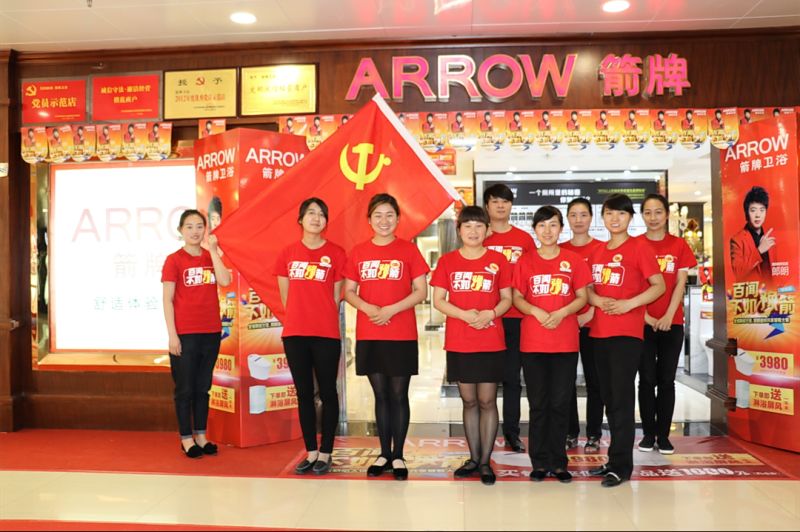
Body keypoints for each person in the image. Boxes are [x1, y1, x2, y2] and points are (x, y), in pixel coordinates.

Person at [343, 194, 429, 481]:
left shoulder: (409, 250)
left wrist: (391, 309)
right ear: (369, 220)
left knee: (398, 394)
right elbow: (349, 291)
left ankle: (399, 455)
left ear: (398, 219)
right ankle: (383, 453)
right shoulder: (358, 251)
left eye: (389, 215)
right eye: (378, 215)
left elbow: (421, 291)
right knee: (379, 395)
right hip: (370, 332)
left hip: (401, 332)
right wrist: (368, 308)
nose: (384, 220)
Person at [586, 193, 665, 487]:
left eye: (621, 213)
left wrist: (629, 304)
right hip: (599, 333)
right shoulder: (597, 251)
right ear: (603, 217)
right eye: (609, 213)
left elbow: (658, 286)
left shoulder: (639, 247)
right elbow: (588, 289)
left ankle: (622, 466)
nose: (615, 219)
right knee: (608, 398)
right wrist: (597, 299)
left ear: (630, 218)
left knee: (621, 399)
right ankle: (613, 459)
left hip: (627, 335)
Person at [431, 206, 512, 486]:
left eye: (479, 226)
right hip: (460, 339)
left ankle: (486, 461)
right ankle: (474, 458)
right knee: (468, 401)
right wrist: (464, 315)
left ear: (488, 230)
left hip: (490, 338)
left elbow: (507, 298)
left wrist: (491, 313)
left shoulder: (498, 260)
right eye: (468, 226)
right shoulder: (447, 262)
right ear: (459, 230)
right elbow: (438, 300)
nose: (473, 231)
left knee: (487, 400)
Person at [513, 206, 591, 483]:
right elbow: (517, 297)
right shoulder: (525, 261)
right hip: (533, 342)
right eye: (542, 225)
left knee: (560, 403)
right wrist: (535, 311)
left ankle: (558, 462)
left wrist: (562, 312)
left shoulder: (574, 260)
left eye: (553, 225)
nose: (547, 230)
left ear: (561, 228)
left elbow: (583, 297)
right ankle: (538, 462)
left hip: (565, 342)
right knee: (538, 404)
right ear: (534, 229)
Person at [275, 198, 347, 476]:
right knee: (304, 393)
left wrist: (319, 313)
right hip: (295, 333)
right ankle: (311, 452)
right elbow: (285, 296)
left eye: (321, 214)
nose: (316, 218)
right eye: (311, 213)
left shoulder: (336, 253)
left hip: (326, 333)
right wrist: (300, 315)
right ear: (300, 219)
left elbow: (336, 296)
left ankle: (326, 452)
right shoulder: (287, 253)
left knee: (328, 392)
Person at [161, 209, 232, 458]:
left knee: (203, 387)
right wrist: (173, 335)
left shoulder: (211, 256)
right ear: (180, 231)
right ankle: (186, 438)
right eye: (189, 227)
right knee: (185, 389)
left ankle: (201, 435)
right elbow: (167, 299)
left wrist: (213, 250)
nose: (195, 231)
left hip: (211, 331)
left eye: (200, 226)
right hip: (185, 333)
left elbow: (225, 281)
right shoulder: (174, 260)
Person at [637, 194, 697, 455]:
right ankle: (647, 434)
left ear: (667, 215)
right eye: (648, 213)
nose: (653, 218)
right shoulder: (635, 245)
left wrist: (668, 316)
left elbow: (680, 284)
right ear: (642, 215)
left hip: (672, 323)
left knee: (666, 380)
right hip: (641, 323)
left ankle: (663, 436)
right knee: (646, 380)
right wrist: (647, 318)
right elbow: (630, 289)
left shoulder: (679, 245)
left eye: (658, 212)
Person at [482, 184, 534, 454]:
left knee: (513, 379)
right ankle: (483, 431)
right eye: (495, 201)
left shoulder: (524, 239)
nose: (500, 206)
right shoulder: (479, 236)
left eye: (505, 201)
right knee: (486, 379)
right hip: (486, 319)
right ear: (487, 206)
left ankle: (511, 433)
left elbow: (533, 274)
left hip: (516, 318)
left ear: (511, 205)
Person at [560, 198, 606, 454]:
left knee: (594, 381)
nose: (578, 220)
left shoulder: (601, 249)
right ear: (567, 219)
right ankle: (570, 432)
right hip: (564, 325)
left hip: (594, 325)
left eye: (583, 215)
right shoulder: (559, 250)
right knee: (565, 381)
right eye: (573, 215)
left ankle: (594, 434)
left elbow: (605, 289)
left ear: (591, 217)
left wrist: (589, 314)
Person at [730, 186, 775, 283]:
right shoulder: (737, 240)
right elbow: (738, 271)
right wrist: (759, 251)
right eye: (753, 210)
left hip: (772, 290)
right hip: (751, 291)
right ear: (746, 212)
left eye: (762, 210)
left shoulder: (771, 236)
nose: (758, 215)